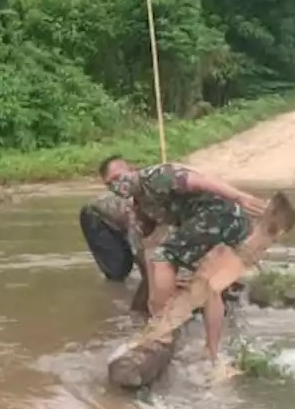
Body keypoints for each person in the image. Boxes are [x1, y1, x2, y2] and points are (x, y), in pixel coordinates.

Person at [98, 155, 265, 362]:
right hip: (224, 221)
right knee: (211, 286)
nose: (116, 184)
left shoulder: (155, 176)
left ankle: (164, 330)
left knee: (164, 256)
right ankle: (212, 353)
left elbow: (202, 180)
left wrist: (239, 196)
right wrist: (153, 297)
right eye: (109, 183)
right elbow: (146, 245)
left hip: (216, 215)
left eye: (118, 176)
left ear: (131, 170)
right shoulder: (141, 206)